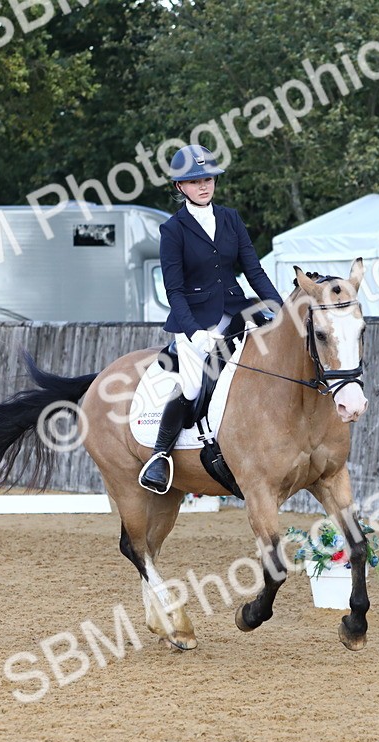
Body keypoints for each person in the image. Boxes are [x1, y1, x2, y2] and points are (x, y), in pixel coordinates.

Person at [138, 144, 284, 494]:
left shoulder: (231, 218)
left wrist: (282, 310)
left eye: (208, 179)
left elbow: (253, 270)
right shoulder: (173, 230)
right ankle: (160, 455)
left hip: (237, 311)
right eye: (195, 181)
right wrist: (193, 332)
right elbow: (173, 290)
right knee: (191, 385)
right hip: (195, 321)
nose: (204, 186)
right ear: (180, 187)